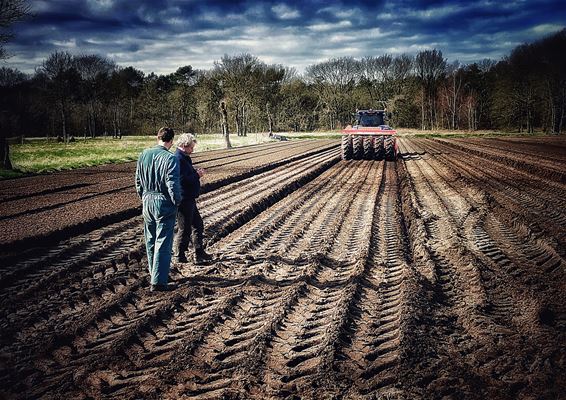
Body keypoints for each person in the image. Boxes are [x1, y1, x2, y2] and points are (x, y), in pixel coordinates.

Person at [135, 127, 181, 292]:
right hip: (163, 202)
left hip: (147, 201)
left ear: (158, 138)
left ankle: (155, 273)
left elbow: (138, 181)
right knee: (163, 241)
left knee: (150, 240)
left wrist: (144, 197)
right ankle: (159, 282)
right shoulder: (170, 158)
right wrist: (176, 202)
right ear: (171, 141)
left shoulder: (143, 154)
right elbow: (172, 184)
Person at [172, 132, 213, 265]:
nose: (192, 150)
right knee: (185, 228)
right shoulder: (178, 158)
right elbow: (182, 180)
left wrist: (194, 172)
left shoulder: (184, 157)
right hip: (183, 198)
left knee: (197, 224)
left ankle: (199, 252)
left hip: (189, 197)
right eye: (191, 148)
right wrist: (197, 175)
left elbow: (186, 174)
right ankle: (179, 255)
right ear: (184, 145)